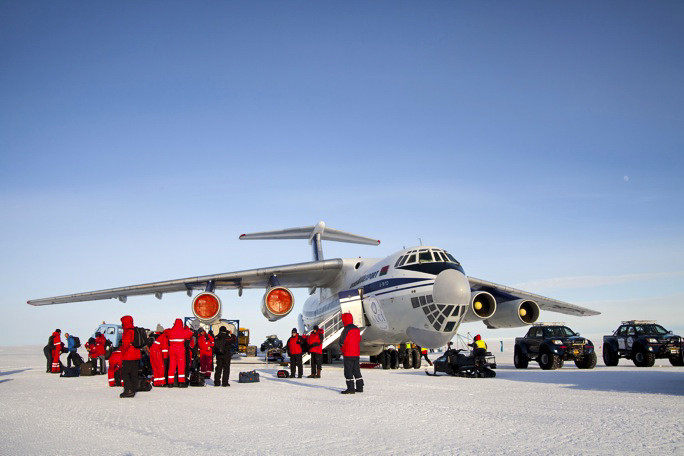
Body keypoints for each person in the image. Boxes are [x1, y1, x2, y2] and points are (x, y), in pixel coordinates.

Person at [164, 318, 193, 387]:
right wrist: (186, 329)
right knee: (181, 366)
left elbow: (165, 332)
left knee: (171, 366)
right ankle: (181, 382)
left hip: (172, 350)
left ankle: (170, 382)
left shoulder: (170, 331)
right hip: (180, 350)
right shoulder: (183, 331)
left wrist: (172, 328)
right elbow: (190, 333)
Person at [339, 313, 363, 394]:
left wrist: (342, 349)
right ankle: (360, 387)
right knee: (356, 370)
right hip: (356, 353)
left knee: (348, 371)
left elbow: (341, 341)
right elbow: (359, 339)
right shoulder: (356, 329)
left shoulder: (346, 329)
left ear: (344, 320)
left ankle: (350, 388)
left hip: (348, 353)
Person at [119, 315, 141, 398]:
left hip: (129, 355)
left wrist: (121, 350)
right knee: (134, 373)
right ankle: (133, 389)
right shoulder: (134, 330)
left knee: (125, 373)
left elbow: (126, 344)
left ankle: (128, 390)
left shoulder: (128, 331)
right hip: (136, 355)